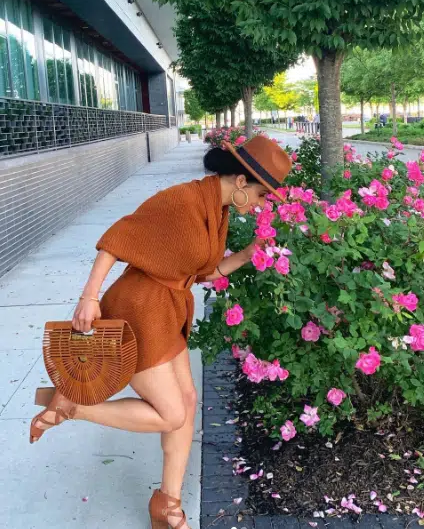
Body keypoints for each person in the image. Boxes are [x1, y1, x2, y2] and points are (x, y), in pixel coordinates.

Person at [29, 136, 292, 529]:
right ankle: (71, 406)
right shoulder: (181, 200)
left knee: (186, 402)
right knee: (170, 414)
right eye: (259, 194)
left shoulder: (216, 210)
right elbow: (118, 239)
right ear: (240, 181)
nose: (260, 205)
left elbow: (202, 273)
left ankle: (168, 506)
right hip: (140, 308)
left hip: (169, 310)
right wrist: (89, 296)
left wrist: (247, 253)